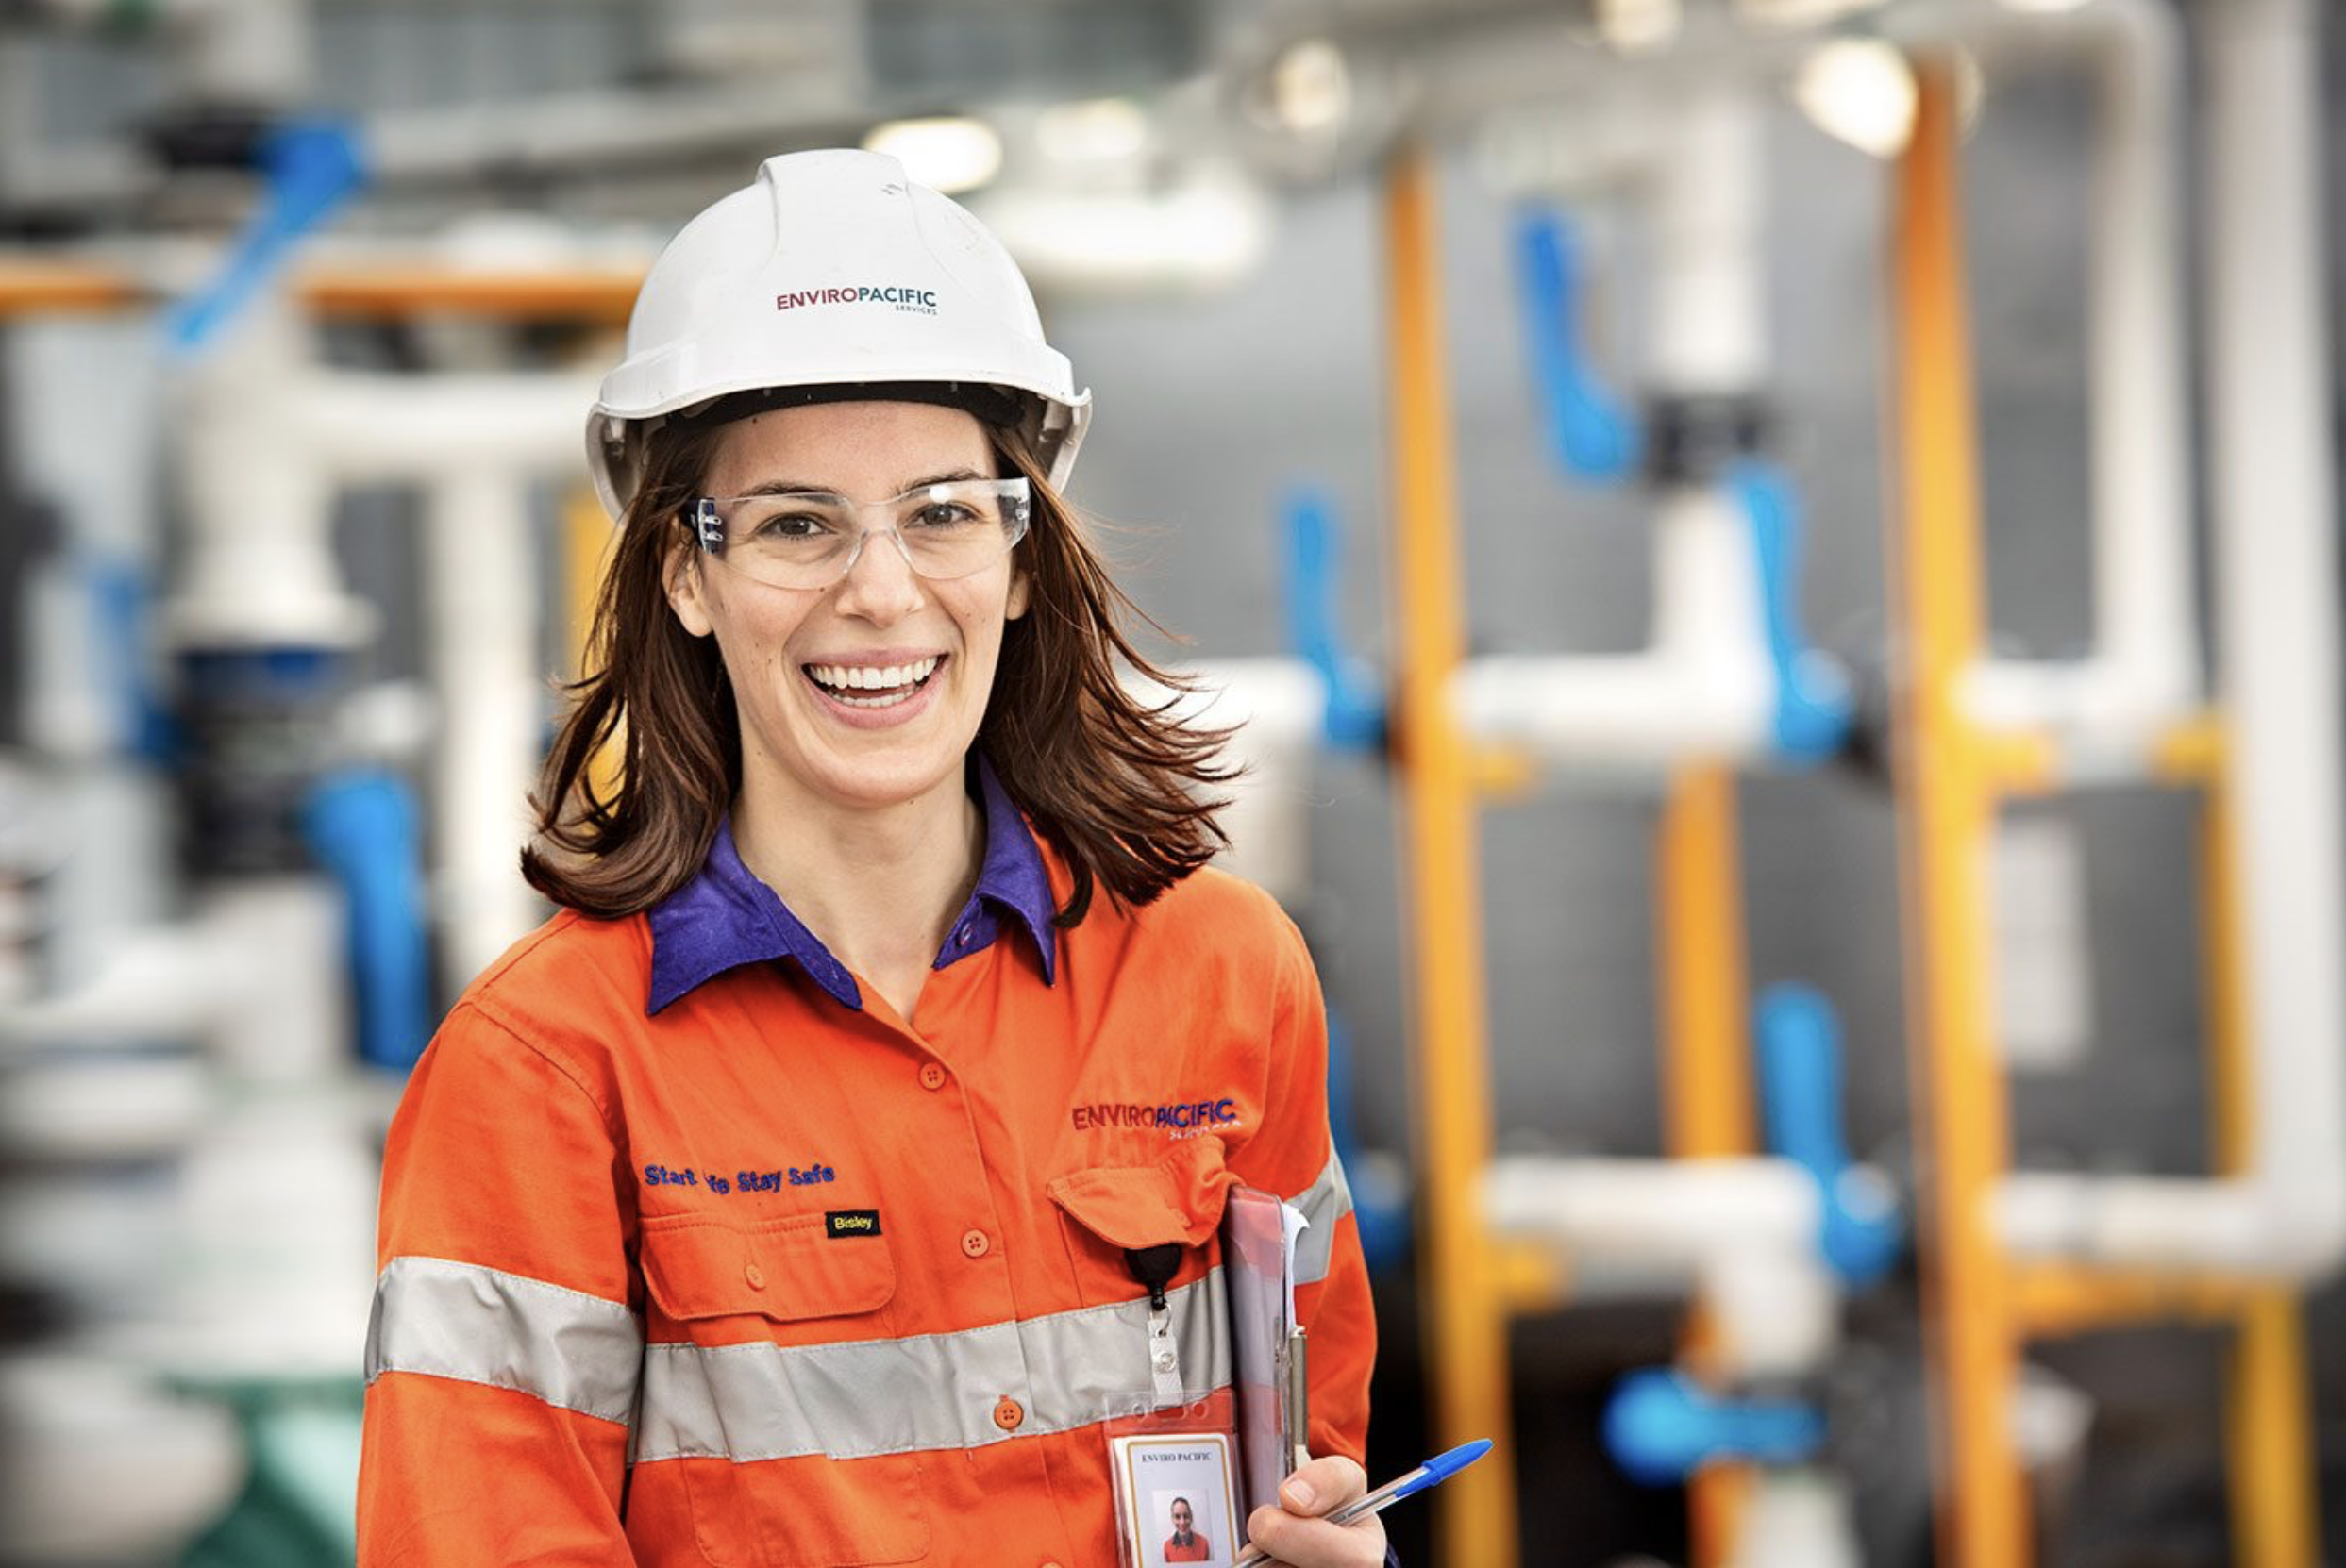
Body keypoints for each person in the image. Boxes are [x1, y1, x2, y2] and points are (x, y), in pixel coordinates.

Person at [356, 148, 1385, 1568]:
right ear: (683, 572)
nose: (881, 592)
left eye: (943, 512)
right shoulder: (540, 1069)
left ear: (1021, 557)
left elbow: (1315, 1466)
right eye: (796, 525)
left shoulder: (1223, 968)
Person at [1164, 1497, 1213, 1562]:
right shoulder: (1167, 1546)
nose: (1182, 1522)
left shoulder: (1204, 1543)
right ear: (1172, 1519)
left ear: (1191, 1517)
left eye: (1186, 1516)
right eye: (1177, 1517)